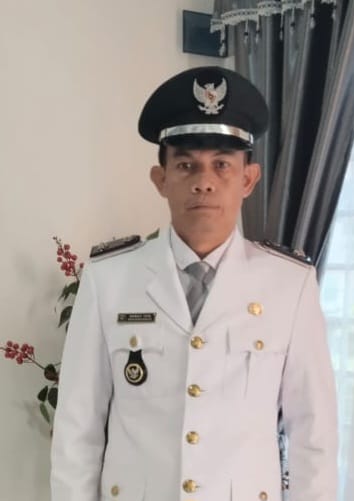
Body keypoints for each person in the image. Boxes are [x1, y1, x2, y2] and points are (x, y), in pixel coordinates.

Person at [50, 66, 338, 501]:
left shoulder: (289, 286)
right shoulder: (108, 280)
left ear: (248, 179)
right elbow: (77, 428)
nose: (204, 182)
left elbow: (313, 435)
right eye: (186, 166)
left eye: (222, 165)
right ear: (160, 179)